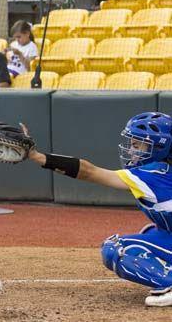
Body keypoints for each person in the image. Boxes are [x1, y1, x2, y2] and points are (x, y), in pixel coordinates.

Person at [9, 111, 172, 307]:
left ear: (160, 147)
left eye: (138, 145)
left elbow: (89, 172)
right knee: (151, 232)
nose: (132, 150)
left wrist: (38, 157)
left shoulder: (153, 173)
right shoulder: (160, 170)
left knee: (116, 249)